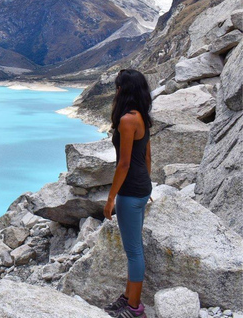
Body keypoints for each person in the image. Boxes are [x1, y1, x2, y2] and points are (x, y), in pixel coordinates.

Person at [102, 69, 153, 318]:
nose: (116, 91)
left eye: (118, 87)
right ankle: (128, 297)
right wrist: (147, 185)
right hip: (141, 188)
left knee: (134, 252)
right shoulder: (141, 115)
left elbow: (124, 164)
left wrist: (111, 198)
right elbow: (146, 156)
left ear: (124, 90)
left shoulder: (126, 120)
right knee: (134, 248)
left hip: (131, 192)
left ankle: (135, 309)